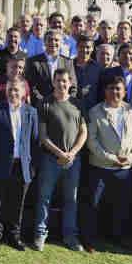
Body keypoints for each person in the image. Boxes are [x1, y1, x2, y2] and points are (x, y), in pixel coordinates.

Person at [81, 75, 132, 252]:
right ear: (105, 91)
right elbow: (91, 140)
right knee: (93, 204)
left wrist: (131, 158)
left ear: (124, 92)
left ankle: (117, 236)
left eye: (118, 89)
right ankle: (88, 239)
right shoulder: (95, 111)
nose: (115, 92)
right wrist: (110, 158)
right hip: (100, 166)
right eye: (111, 88)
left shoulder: (131, 111)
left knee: (121, 205)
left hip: (124, 167)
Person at [0, 78, 40, 252]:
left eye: (16, 90)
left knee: (18, 203)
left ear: (23, 92)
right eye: (10, 89)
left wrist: (32, 167)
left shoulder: (31, 112)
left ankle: (14, 236)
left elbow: (35, 141)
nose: (13, 93)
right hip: (0, 163)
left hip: (22, 165)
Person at [33, 70, 86, 251]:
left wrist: (72, 153)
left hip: (73, 160)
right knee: (44, 197)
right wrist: (60, 154)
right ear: (53, 82)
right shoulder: (45, 103)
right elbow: (42, 136)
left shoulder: (78, 104)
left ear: (70, 83)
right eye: (58, 81)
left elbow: (83, 132)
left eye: (64, 81)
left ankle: (70, 236)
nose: (61, 84)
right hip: (50, 159)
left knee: (71, 199)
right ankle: (40, 234)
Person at [24, 29, 76, 103]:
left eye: (56, 40)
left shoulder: (68, 62)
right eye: (50, 40)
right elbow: (31, 87)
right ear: (44, 42)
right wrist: (42, 102)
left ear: (61, 43)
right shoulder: (33, 62)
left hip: (64, 105)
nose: (53, 42)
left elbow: (73, 86)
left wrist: (67, 102)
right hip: (42, 105)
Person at [98, 42, 132, 111]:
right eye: (123, 53)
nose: (127, 56)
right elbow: (102, 96)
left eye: (130, 53)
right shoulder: (108, 73)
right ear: (118, 57)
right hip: (113, 113)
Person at [72, 36, 102, 115]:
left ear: (92, 49)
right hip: (72, 110)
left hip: (92, 111)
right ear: (76, 47)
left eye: (88, 47)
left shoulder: (98, 68)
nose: (85, 50)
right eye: (81, 46)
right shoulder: (69, 65)